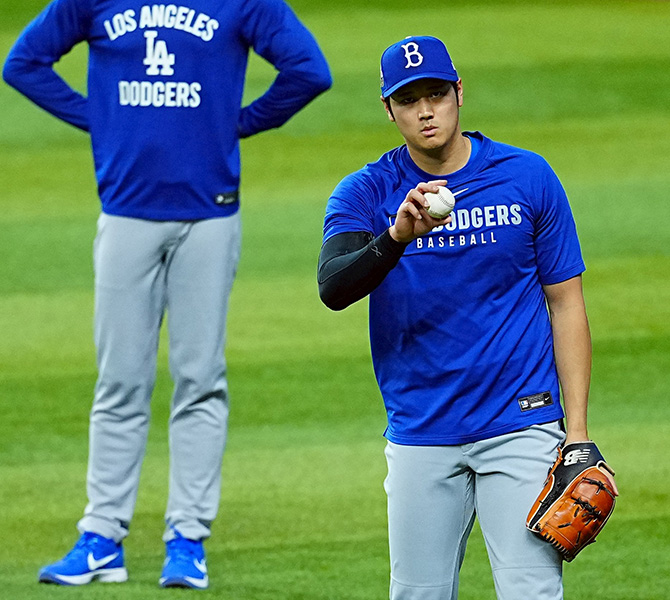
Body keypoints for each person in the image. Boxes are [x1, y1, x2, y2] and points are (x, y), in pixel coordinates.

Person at [4, 0, 331, 589]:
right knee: (120, 379)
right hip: (125, 212)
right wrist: (100, 118)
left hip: (209, 216)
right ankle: (101, 537)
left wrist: (240, 120)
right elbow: (24, 62)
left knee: (199, 377)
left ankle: (188, 537)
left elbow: (309, 70)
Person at [317, 36, 618, 600]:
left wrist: (575, 435)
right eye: (409, 101)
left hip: (522, 426)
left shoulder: (527, 177)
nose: (426, 111)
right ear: (389, 110)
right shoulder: (366, 193)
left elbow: (566, 303)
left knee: (532, 593)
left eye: (436, 94)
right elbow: (334, 287)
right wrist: (395, 237)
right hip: (421, 431)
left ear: (459, 93)